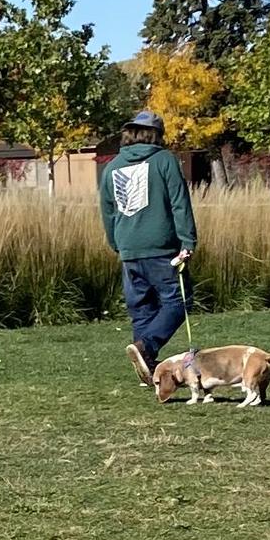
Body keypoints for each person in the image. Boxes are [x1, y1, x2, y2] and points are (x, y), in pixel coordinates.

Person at [97, 107, 196, 386]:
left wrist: (116, 242)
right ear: (156, 135)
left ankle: (147, 371)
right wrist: (188, 241)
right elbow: (179, 202)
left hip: (128, 248)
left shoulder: (112, 167)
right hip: (161, 246)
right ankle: (147, 348)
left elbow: (107, 210)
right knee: (179, 301)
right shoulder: (164, 160)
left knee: (142, 309)